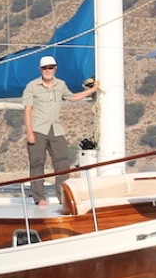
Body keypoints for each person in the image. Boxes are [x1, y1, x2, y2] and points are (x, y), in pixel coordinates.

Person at [21, 55, 98, 205]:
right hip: (38, 129)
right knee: (37, 163)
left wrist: (93, 90)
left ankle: (63, 196)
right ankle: (39, 198)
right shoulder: (32, 86)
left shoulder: (61, 85)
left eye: (50, 67)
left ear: (55, 68)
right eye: (45, 68)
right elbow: (27, 110)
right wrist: (29, 132)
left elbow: (72, 97)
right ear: (40, 69)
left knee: (63, 163)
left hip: (56, 129)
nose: (48, 71)